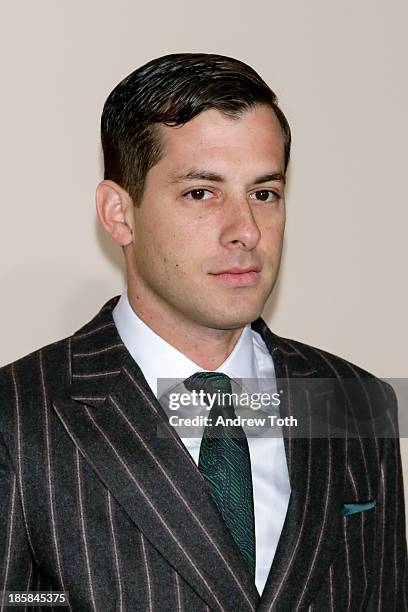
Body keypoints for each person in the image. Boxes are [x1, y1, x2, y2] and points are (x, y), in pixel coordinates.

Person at [0, 53, 406, 611]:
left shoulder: (354, 404)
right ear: (119, 213)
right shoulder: (19, 416)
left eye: (264, 193)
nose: (245, 231)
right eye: (201, 193)